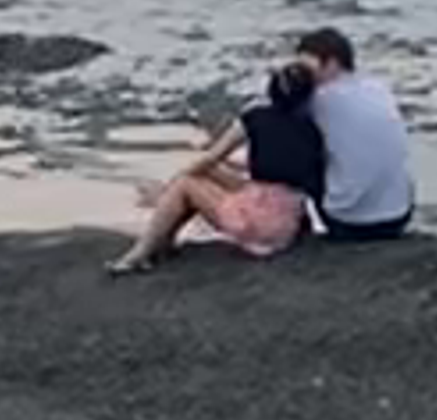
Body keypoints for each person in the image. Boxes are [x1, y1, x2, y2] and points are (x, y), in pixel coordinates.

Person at [117, 53, 332, 270]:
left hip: (257, 224)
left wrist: (170, 186)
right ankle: (164, 240)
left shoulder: (255, 117)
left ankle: (140, 252)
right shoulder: (314, 128)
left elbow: (211, 157)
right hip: (287, 223)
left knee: (187, 182)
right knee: (210, 172)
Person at [292, 23, 414, 239]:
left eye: (306, 69)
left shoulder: (320, 99)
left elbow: (268, 112)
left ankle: (293, 221)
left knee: (296, 141)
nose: (302, 76)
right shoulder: (377, 88)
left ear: (332, 63)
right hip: (400, 215)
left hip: (348, 222)